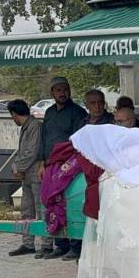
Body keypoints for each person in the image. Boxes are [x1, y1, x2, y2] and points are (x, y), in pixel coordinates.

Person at [38, 76, 87, 261]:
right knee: (52, 202)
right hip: (51, 164)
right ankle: (60, 243)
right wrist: (41, 163)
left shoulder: (77, 112)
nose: (62, 93)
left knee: (69, 203)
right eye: (58, 90)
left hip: (69, 165)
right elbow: (44, 138)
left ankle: (75, 246)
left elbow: (78, 140)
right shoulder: (49, 112)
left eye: (65, 89)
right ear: (52, 93)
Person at [7, 99, 46, 257]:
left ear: (14, 114)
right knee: (26, 210)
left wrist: (19, 168)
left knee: (41, 209)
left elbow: (32, 151)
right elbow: (21, 151)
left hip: (36, 173)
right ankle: (28, 244)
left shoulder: (35, 126)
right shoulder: (26, 127)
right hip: (27, 175)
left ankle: (46, 244)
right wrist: (16, 166)